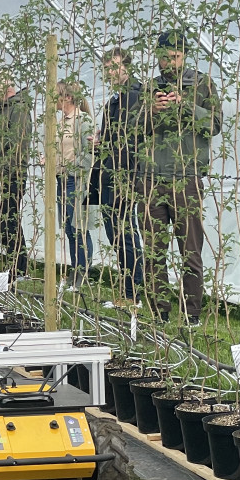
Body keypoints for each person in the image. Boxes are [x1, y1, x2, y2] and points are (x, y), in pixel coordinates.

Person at [140, 29, 221, 326]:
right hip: (149, 177)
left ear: (184, 55)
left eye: (174, 57)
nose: (169, 64)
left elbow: (214, 125)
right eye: (163, 58)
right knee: (153, 249)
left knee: (190, 250)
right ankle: (159, 312)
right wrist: (151, 110)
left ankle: (192, 315)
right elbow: (133, 129)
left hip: (185, 177)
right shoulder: (150, 87)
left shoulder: (201, 84)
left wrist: (184, 105)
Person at [96, 47, 145, 306]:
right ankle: (127, 289)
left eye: (115, 67)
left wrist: (131, 178)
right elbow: (113, 138)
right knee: (115, 232)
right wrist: (100, 140)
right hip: (109, 174)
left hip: (125, 175)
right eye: (107, 69)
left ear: (127, 66)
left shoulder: (136, 96)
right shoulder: (113, 101)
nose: (111, 73)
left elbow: (137, 140)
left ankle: (133, 293)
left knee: (125, 233)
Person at [0, 73, 33, 277]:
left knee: (10, 220)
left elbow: (17, 144)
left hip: (10, 175)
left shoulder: (18, 108)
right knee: (4, 221)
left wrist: (2, 172)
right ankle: (13, 263)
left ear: (6, 85)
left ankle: (20, 267)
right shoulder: (1, 111)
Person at [56, 80, 96, 290]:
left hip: (77, 181)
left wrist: (70, 169)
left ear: (68, 97)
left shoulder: (83, 120)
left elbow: (88, 154)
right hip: (61, 180)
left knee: (79, 229)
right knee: (69, 231)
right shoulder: (62, 122)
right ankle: (74, 272)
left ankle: (83, 274)